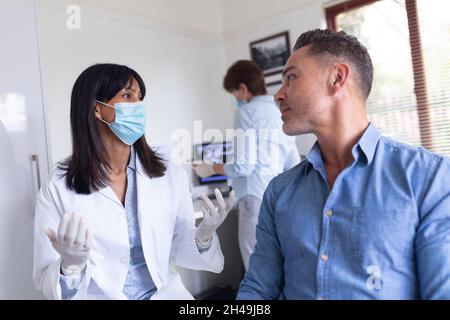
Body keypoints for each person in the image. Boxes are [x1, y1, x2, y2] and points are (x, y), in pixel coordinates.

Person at [237, 29, 450, 299]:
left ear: (337, 77)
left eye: (291, 77)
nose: (278, 94)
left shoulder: (429, 178)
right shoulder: (279, 191)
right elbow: (257, 290)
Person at [33, 63, 235, 300]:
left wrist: (204, 236)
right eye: (128, 96)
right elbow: (46, 282)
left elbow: (179, 245)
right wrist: (70, 267)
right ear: (97, 109)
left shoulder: (167, 172)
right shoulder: (58, 186)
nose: (138, 107)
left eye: (139, 98)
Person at [193, 60, 300, 271]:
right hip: (278, 199)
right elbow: (293, 164)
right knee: (277, 266)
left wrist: (211, 168)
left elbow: (243, 167)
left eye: (234, 93)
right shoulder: (280, 112)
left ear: (242, 88)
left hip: (254, 198)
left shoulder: (246, 113)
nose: (236, 99)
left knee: (256, 268)